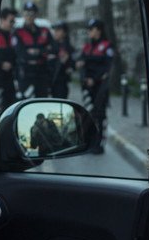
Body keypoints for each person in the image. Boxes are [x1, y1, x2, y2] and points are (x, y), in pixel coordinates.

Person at [76, 18, 114, 154]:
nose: (89, 32)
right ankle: (88, 143)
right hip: (87, 87)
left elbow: (107, 68)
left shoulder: (106, 46)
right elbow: (81, 62)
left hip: (100, 87)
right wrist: (84, 74)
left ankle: (99, 144)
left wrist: (95, 79)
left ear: (98, 30)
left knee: (100, 115)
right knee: (87, 114)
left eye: (91, 29)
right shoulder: (87, 47)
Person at [12, 1, 55, 98]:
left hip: (42, 72)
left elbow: (53, 49)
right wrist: (42, 50)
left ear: (36, 15)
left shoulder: (44, 31)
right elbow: (20, 53)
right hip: (26, 72)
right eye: (27, 13)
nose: (29, 16)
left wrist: (37, 51)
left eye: (32, 13)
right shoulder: (18, 32)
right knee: (27, 100)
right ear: (23, 14)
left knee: (42, 100)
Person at [0, 7, 18, 114]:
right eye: (11, 21)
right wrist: (1, 64)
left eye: (14, 21)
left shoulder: (13, 36)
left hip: (10, 81)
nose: (13, 23)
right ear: (2, 20)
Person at [49, 21, 75, 99]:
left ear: (64, 32)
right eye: (55, 30)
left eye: (58, 30)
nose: (55, 32)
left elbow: (73, 64)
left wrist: (69, 65)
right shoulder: (51, 46)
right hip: (49, 81)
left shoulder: (69, 48)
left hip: (61, 82)